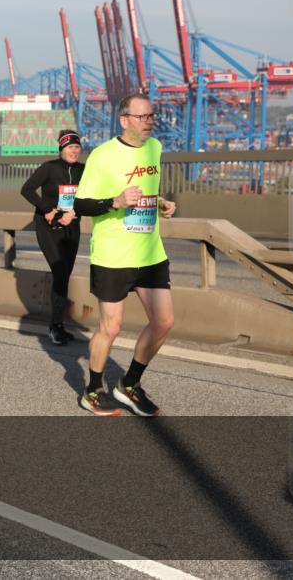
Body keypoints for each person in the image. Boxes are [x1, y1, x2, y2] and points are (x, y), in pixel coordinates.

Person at [73, 92, 177, 417]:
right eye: (142, 117)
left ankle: (129, 384)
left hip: (149, 251)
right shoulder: (102, 156)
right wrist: (114, 202)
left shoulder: (155, 148)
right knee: (111, 327)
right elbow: (79, 204)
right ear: (124, 120)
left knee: (164, 321)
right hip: (112, 254)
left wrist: (163, 205)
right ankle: (92, 391)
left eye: (151, 116)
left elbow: (148, 192)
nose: (149, 122)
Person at [20, 129, 85, 345]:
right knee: (59, 270)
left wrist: (75, 214)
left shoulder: (84, 171)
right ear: (61, 149)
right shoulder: (49, 168)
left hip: (72, 226)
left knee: (65, 274)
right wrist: (47, 208)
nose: (73, 151)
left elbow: (89, 197)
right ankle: (55, 327)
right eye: (69, 147)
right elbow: (27, 189)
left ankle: (58, 324)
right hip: (48, 225)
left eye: (76, 147)